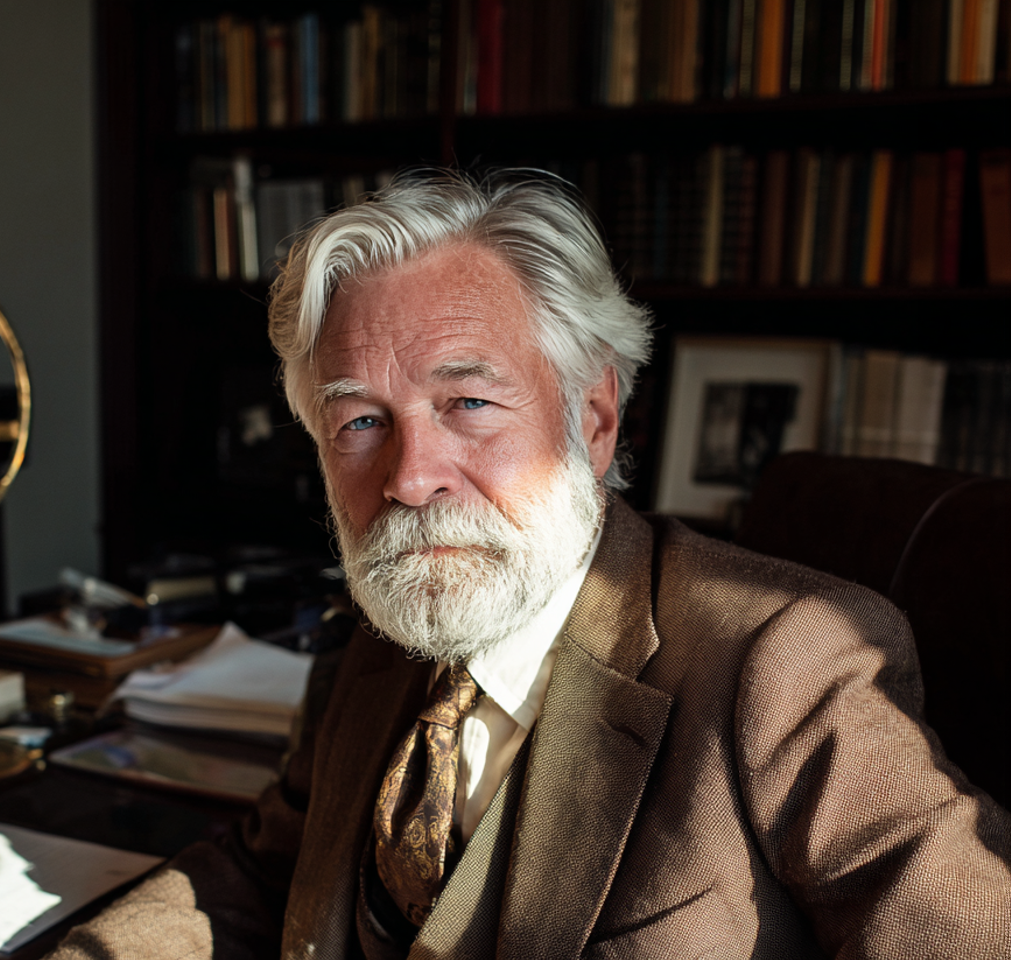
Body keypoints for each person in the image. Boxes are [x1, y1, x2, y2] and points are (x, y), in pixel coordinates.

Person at [51, 169, 1010, 959]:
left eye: (468, 404)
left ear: (592, 421)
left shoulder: (787, 666)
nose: (411, 478)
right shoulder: (374, 645)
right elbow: (264, 875)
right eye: (360, 422)